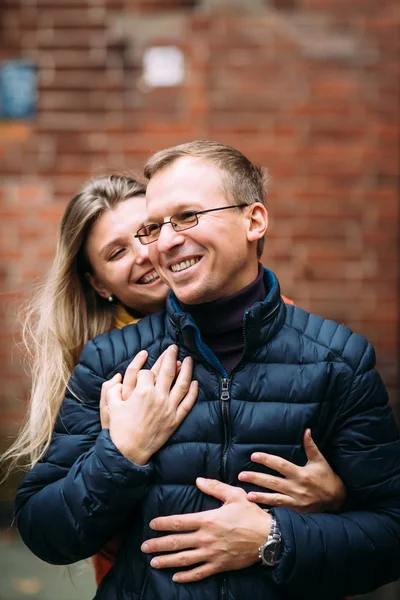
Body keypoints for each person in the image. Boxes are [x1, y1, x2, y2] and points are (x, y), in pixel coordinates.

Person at [14, 139, 394, 600]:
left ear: (253, 220)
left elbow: (388, 532)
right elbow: (45, 530)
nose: (162, 243)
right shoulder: (109, 362)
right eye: (156, 227)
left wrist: (276, 538)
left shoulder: (336, 359)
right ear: (98, 285)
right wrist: (121, 451)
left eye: (187, 216)